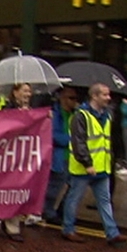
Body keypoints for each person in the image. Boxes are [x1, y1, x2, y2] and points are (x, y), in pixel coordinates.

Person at [61, 83, 127, 245]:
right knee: (74, 199)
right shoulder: (81, 116)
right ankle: (68, 229)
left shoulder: (107, 115)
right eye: (105, 95)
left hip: (102, 167)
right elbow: (79, 142)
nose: (108, 98)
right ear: (94, 96)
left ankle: (112, 233)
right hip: (83, 168)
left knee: (104, 201)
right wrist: (87, 163)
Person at [0, 83, 33, 241]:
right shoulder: (7, 109)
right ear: (15, 92)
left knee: (21, 188)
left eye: (29, 91)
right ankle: (11, 226)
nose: (28, 94)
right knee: (11, 189)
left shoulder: (31, 110)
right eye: (25, 90)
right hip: (9, 157)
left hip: (24, 156)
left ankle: (12, 219)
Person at [43, 87, 79, 225]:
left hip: (75, 158)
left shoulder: (76, 114)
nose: (74, 102)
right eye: (71, 98)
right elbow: (53, 135)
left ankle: (63, 212)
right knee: (54, 187)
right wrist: (72, 140)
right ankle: (48, 212)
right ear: (63, 98)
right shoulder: (55, 114)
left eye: (76, 98)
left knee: (73, 187)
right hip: (60, 157)